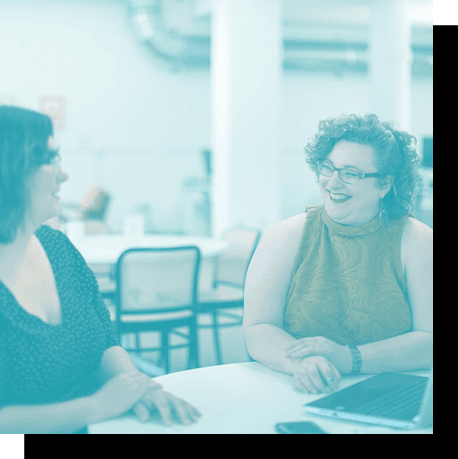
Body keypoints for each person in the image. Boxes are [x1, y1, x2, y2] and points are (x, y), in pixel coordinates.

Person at [0, 106, 201, 433]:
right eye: (49, 159)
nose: (63, 174)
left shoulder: (57, 248)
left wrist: (138, 387)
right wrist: (95, 407)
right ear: (10, 170)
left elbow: (105, 341)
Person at [243, 113, 433, 395]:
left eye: (351, 174)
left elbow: (429, 340)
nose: (332, 183)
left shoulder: (418, 242)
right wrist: (303, 363)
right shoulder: (284, 237)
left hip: (392, 395)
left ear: (384, 184)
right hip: (296, 390)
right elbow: (258, 328)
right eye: (328, 167)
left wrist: (349, 358)